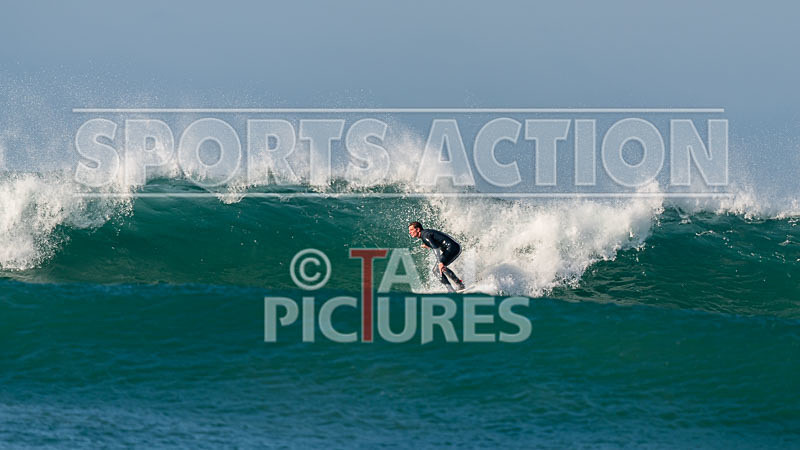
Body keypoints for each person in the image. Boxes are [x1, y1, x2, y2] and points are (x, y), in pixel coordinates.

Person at [408, 221, 466, 292]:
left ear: (418, 229)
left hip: (452, 248)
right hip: (454, 247)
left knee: (437, 270)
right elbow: (437, 242)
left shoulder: (424, 236)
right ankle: (459, 284)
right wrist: (428, 245)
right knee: (441, 268)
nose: (410, 232)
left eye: (411, 230)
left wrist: (440, 262)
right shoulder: (426, 233)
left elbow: (436, 248)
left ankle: (451, 290)